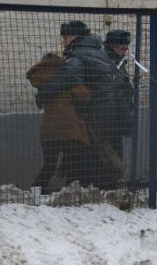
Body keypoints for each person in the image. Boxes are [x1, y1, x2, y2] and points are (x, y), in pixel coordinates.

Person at [35, 21, 123, 189]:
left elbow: (67, 76)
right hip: (106, 107)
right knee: (98, 152)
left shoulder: (80, 55)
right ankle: (98, 188)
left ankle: (87, 189)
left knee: (91, 155)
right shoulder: (97, 51)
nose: (64, 41)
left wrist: (43, 93)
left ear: (76, 37)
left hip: (95, 109)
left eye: (66, 37)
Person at [27, 53, 94, 193]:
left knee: (49, 165)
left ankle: (34, 192)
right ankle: (71, 192)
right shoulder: (65, 77)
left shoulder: (42, 80)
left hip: (48, 131)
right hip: (70, 131)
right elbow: (83, 96)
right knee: (74, 164)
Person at [104, 30, 134, 158]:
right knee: (113, 159)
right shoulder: (108, 65)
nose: (124, 52)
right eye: (122, 48)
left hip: (116, 119)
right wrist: (127, 121)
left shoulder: (117, 63)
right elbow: (117, 95)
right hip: (110, 121)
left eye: (126, 49)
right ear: (112, 47)